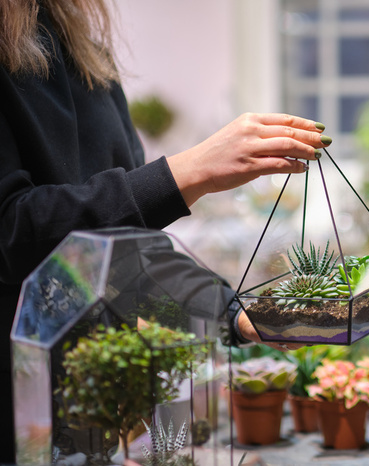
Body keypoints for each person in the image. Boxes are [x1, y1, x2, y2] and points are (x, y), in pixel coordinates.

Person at [0, 1, 330, 463]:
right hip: (18, 415)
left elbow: (120, 254)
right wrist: (187, 171)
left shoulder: (86, 57)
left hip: (88, 417)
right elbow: (14, 232)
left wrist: (234, 314)